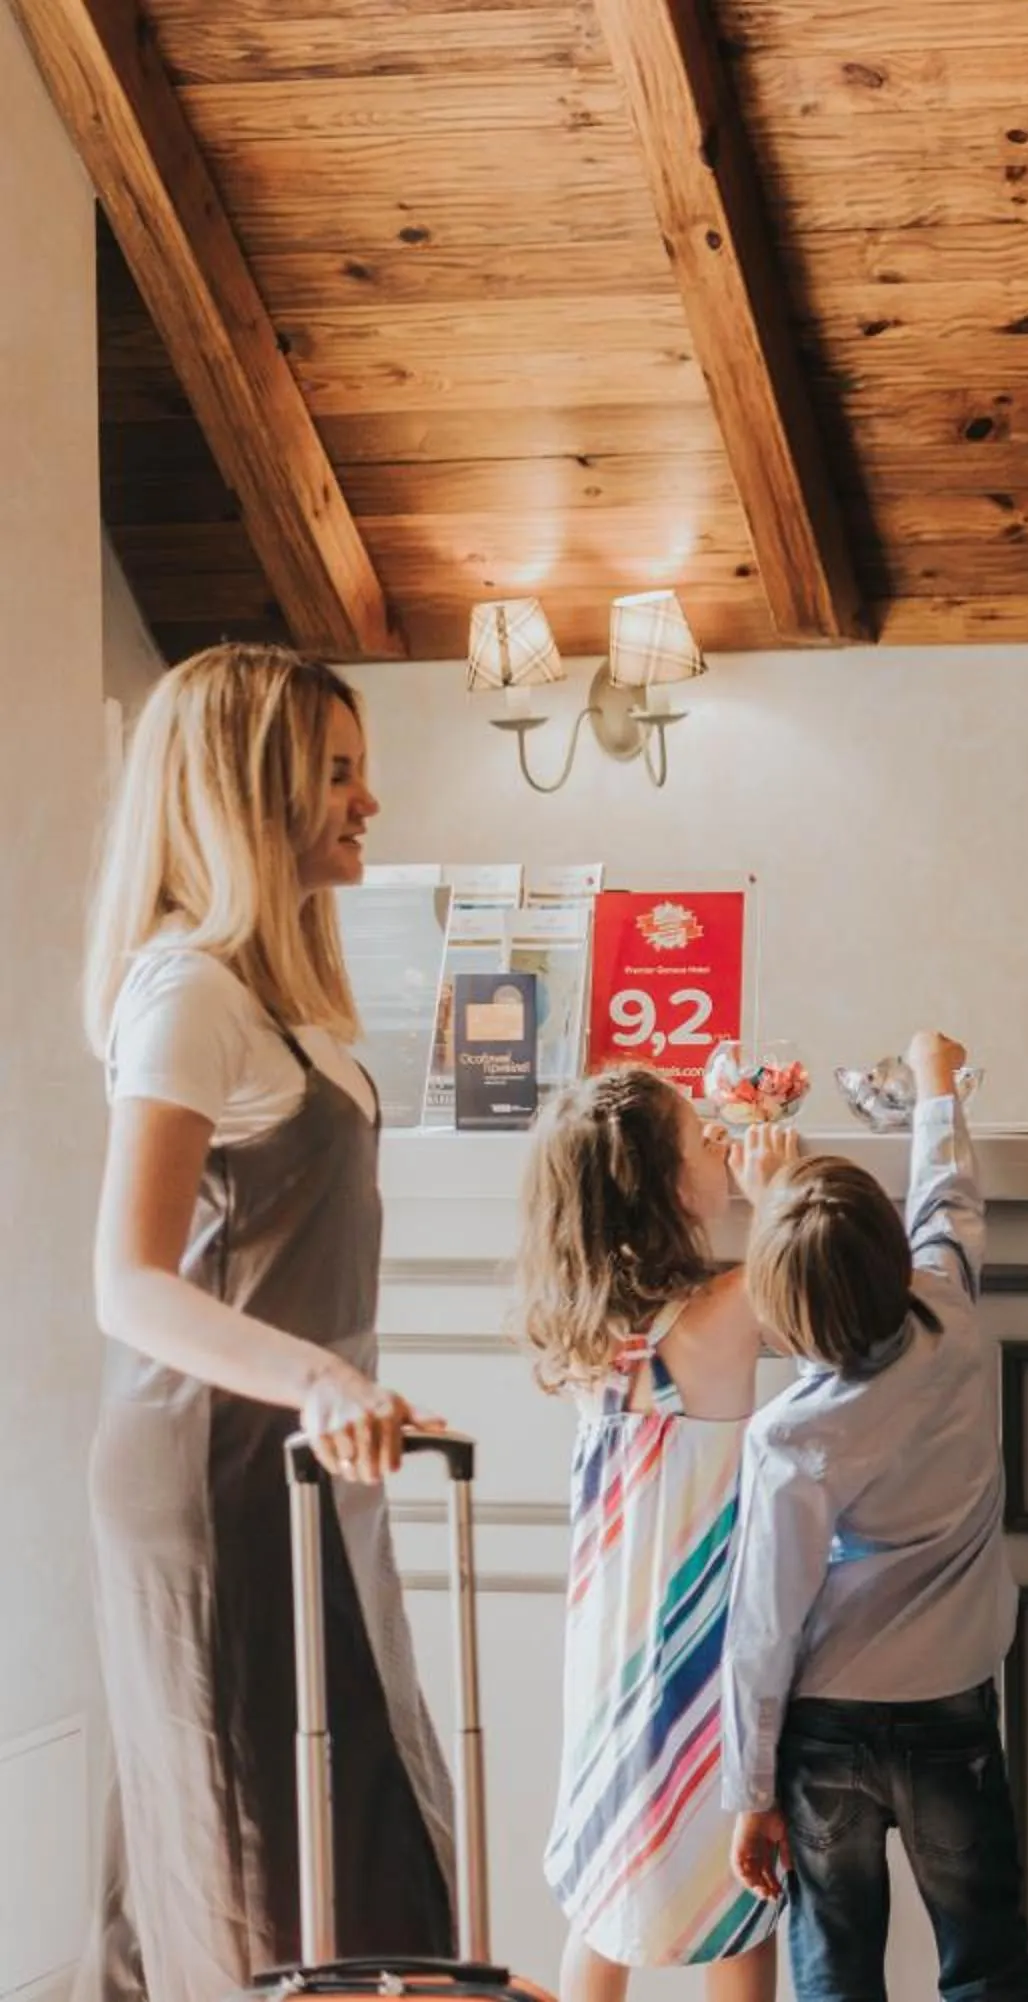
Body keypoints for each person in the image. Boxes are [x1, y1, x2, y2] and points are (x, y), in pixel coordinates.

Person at [81, 643, 454, 1996]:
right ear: (254, 790)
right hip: (216, 1469)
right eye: (337, 774)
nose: (368, 802)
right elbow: (128, 1280)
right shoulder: (187, 994)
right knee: (255, 1857)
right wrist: (319, 1379)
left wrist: (350, 1391)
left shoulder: (266, 1004)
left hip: (295, 1463)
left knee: (346, 1829)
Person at [722, 1032, 1028, 2002]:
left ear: (779, 1319)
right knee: (984, 1960)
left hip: (826, 1731)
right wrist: (937, 1083)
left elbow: (764, 1628)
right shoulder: (949, 1311)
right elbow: (950, 1196)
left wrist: (752, 1790)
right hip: (950, 1702)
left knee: (835, 1971)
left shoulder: (788, 1439)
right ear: (896, 1256)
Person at [515, 1068, 798, 1999]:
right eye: (701, 1137)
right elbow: (803, 1268)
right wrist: (777, 1191)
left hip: (610, 1662)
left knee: (603, 1900)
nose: (722, 1141)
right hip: (702, 1662)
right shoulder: (717, 1321)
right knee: (737, 1901)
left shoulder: (592, 1335)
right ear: (673, 1189)